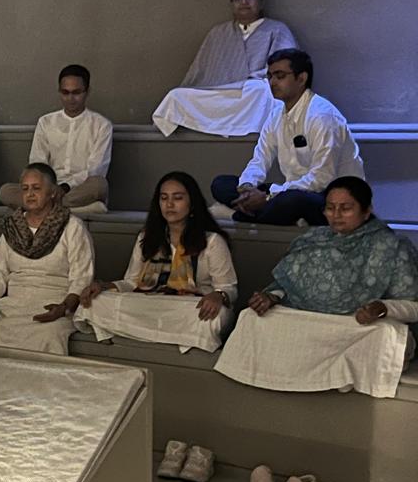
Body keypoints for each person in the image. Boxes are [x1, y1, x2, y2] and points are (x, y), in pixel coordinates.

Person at [215, 177, 418, 398]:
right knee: (252, 318)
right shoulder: (312, 239)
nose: (336, 215)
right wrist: (272, 296)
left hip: (354, 325)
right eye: (330, 208)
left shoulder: (392, 246)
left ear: (366, 211)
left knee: (383, 335)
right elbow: (285, 284)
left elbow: (413, 307)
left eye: (345, 208)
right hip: (314, 321)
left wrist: (382, 308)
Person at [77, 172, 237, 353]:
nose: (169, 204)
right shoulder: (146, 237)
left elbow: (229, 288)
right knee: (96, 301)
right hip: (151, 302)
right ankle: (171, 334)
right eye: (164, 198)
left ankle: (138, 331)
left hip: (189, 306)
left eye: (177, 198)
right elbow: (132, 282)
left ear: (192, 203)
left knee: (213, 317)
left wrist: (219, 295)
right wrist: (104, 286)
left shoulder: (212, 241)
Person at [210, 49, 365, 226]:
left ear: (301, 78)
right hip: (289, 190)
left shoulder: (322, 116)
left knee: (294, 201)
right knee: (221, 184)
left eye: (280, 76)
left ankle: (237, 215)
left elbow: (322, 179)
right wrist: (247, 188)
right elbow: (259, 160)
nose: (272, 82)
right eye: (270, 76)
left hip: (331, 196)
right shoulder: (276, 114)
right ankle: (265, 210)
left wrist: (268, 196)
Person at [0, 163, 95, 355]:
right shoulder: (12, 228)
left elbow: (81, 278)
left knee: (47, 335)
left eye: (36, 188)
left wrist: (64, 307)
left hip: (54, 305)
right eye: (25, 189)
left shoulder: (73, 227)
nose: (30, 194)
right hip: (13, 304)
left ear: (52, 192)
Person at [152, 0, 298, 136]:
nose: (244, 2)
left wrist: (251, 82)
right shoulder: (218, 33)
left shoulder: (277, 29)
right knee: (177, 96)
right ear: (232, 4)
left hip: (250, 96)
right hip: (221, 94)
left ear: (261, 3)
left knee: (262, 90)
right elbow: (199, 73)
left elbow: (285, 71)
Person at [0, 64, 112, 212]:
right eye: (65, 92)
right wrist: (50, 187)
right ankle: (70, 208)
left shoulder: (102, 125)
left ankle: (43, 208)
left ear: (87, 92)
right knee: (5, 191)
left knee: (99, 185)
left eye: (76, 92)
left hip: (79, 189)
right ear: (59, 91)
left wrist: (65, 187)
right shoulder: (45, 122)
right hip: (46, 189)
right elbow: (37, 163)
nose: (70, 98)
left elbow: (96, 170)